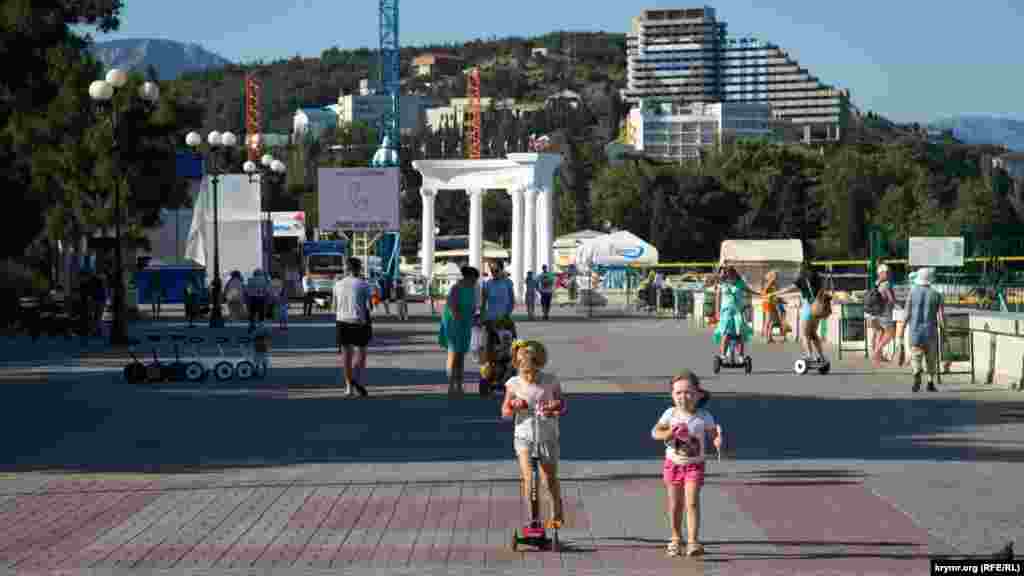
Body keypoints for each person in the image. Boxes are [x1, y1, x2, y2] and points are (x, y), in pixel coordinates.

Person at [651, 370, 724, 558]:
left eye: (688, 392)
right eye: (678, 393)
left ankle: (693, 541)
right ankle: (675, 538)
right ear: (672, 395)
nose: (683, 397)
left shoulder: (704, 416)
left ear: (698, 394)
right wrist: (667, 434)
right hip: (673, 464)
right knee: (675, 503)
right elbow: (655, 432)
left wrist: (717, 440)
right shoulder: (670, 413)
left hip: (695, 465)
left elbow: (713, 433)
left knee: (691, 502)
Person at [501, 339, 566, 530]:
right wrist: (513, 405)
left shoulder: (551, 380)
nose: (529, 376)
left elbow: (562, 404)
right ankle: (533, 519)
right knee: (529, 479)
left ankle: (556, 514)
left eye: (533, 372)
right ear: (518, 367)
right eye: (525, 372)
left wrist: (554, 407)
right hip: (524, 437)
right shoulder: (513, 384)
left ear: (540, 365)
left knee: (548, 478)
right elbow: (504, 411)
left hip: (547, 436)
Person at [333, 257, 372, 397]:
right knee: (361, 353)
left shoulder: (337, 284)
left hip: (342, 321)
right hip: (359, 322)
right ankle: (356, 380)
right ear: (359, 269)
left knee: (346, 356)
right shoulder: (363, 284)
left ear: (347, 269)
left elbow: (334, 307)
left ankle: (348, 387)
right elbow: (369, 306)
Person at [773, 262, 827, 363]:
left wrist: (776, 293)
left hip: (808, 307)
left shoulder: (802, 279)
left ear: (802, 269)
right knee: (813, 333)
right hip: (817, 308)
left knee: (804, 334)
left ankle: (810, 355)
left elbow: (789, 289)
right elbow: (823, 290)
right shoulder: (817, 277)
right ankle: (821, 355)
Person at [438, 266, 479, 397]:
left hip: (465, 323)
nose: (475, 282)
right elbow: (452, 307)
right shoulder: (456, 288)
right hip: (453, 323)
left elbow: (473, 307)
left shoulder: (472, 288)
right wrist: (460, 320)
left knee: (461, 355)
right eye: (473, 279)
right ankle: (450, 386)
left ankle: (459, 385)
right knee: (454, 353)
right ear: (467, 277)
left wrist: (474, 319)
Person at [905, 267, 944, 392]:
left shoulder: (912, 292)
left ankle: (916, 373)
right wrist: (945, 332)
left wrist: (900, 333)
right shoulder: (936, 295)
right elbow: (941, 317)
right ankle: (930, 382)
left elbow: (906, 313)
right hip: (930, 331)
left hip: (915, 331)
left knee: (916, 355)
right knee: (931, 358)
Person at [712, 267, 758, 359]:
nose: (729, 278)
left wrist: (759, 294)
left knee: (739, 333)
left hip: (738, 311)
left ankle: (741, 356)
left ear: (734, 275)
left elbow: (749, 291)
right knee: (726, 334)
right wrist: (717, 313)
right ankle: (723, 355)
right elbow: (718, 299)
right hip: (726, 312)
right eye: (727, 276)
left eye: (731, 275)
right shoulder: (722, 285)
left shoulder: (740, 284)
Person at [870, 264, 898, 365]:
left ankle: (878, 357)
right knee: (889, 334)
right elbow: (891, 299)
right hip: (885, 313)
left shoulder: (876, 283)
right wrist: (897, 304)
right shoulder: (886, 284)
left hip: (874, 313)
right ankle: (877, 351)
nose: (889, 274)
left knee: (879, 333)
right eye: (887, 272)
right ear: (881, 273)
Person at [245, 269, 270, 333]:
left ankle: (252, 325)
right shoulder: (264, 280)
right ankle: (261, 325)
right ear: (260, 273)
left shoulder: (250, 280)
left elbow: (247, 290)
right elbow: (267, 290)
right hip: (261, 298)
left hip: (252, 298)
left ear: (254, 273)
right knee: (261, 312)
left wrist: (247, 298)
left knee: (252, 312)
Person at [761, 271, 782, 343]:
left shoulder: (776, 284)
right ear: (771, 276)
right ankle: (766, 337)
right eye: (775, 275)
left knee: (772, 321)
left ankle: (769, 337)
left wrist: (780, 300)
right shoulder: (769, 283)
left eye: (777, 276)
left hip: (773, 303)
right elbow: (764, 292)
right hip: (767, 303)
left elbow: (776, 294)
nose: (777, 277)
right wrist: (771, 282)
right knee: (768, 320)